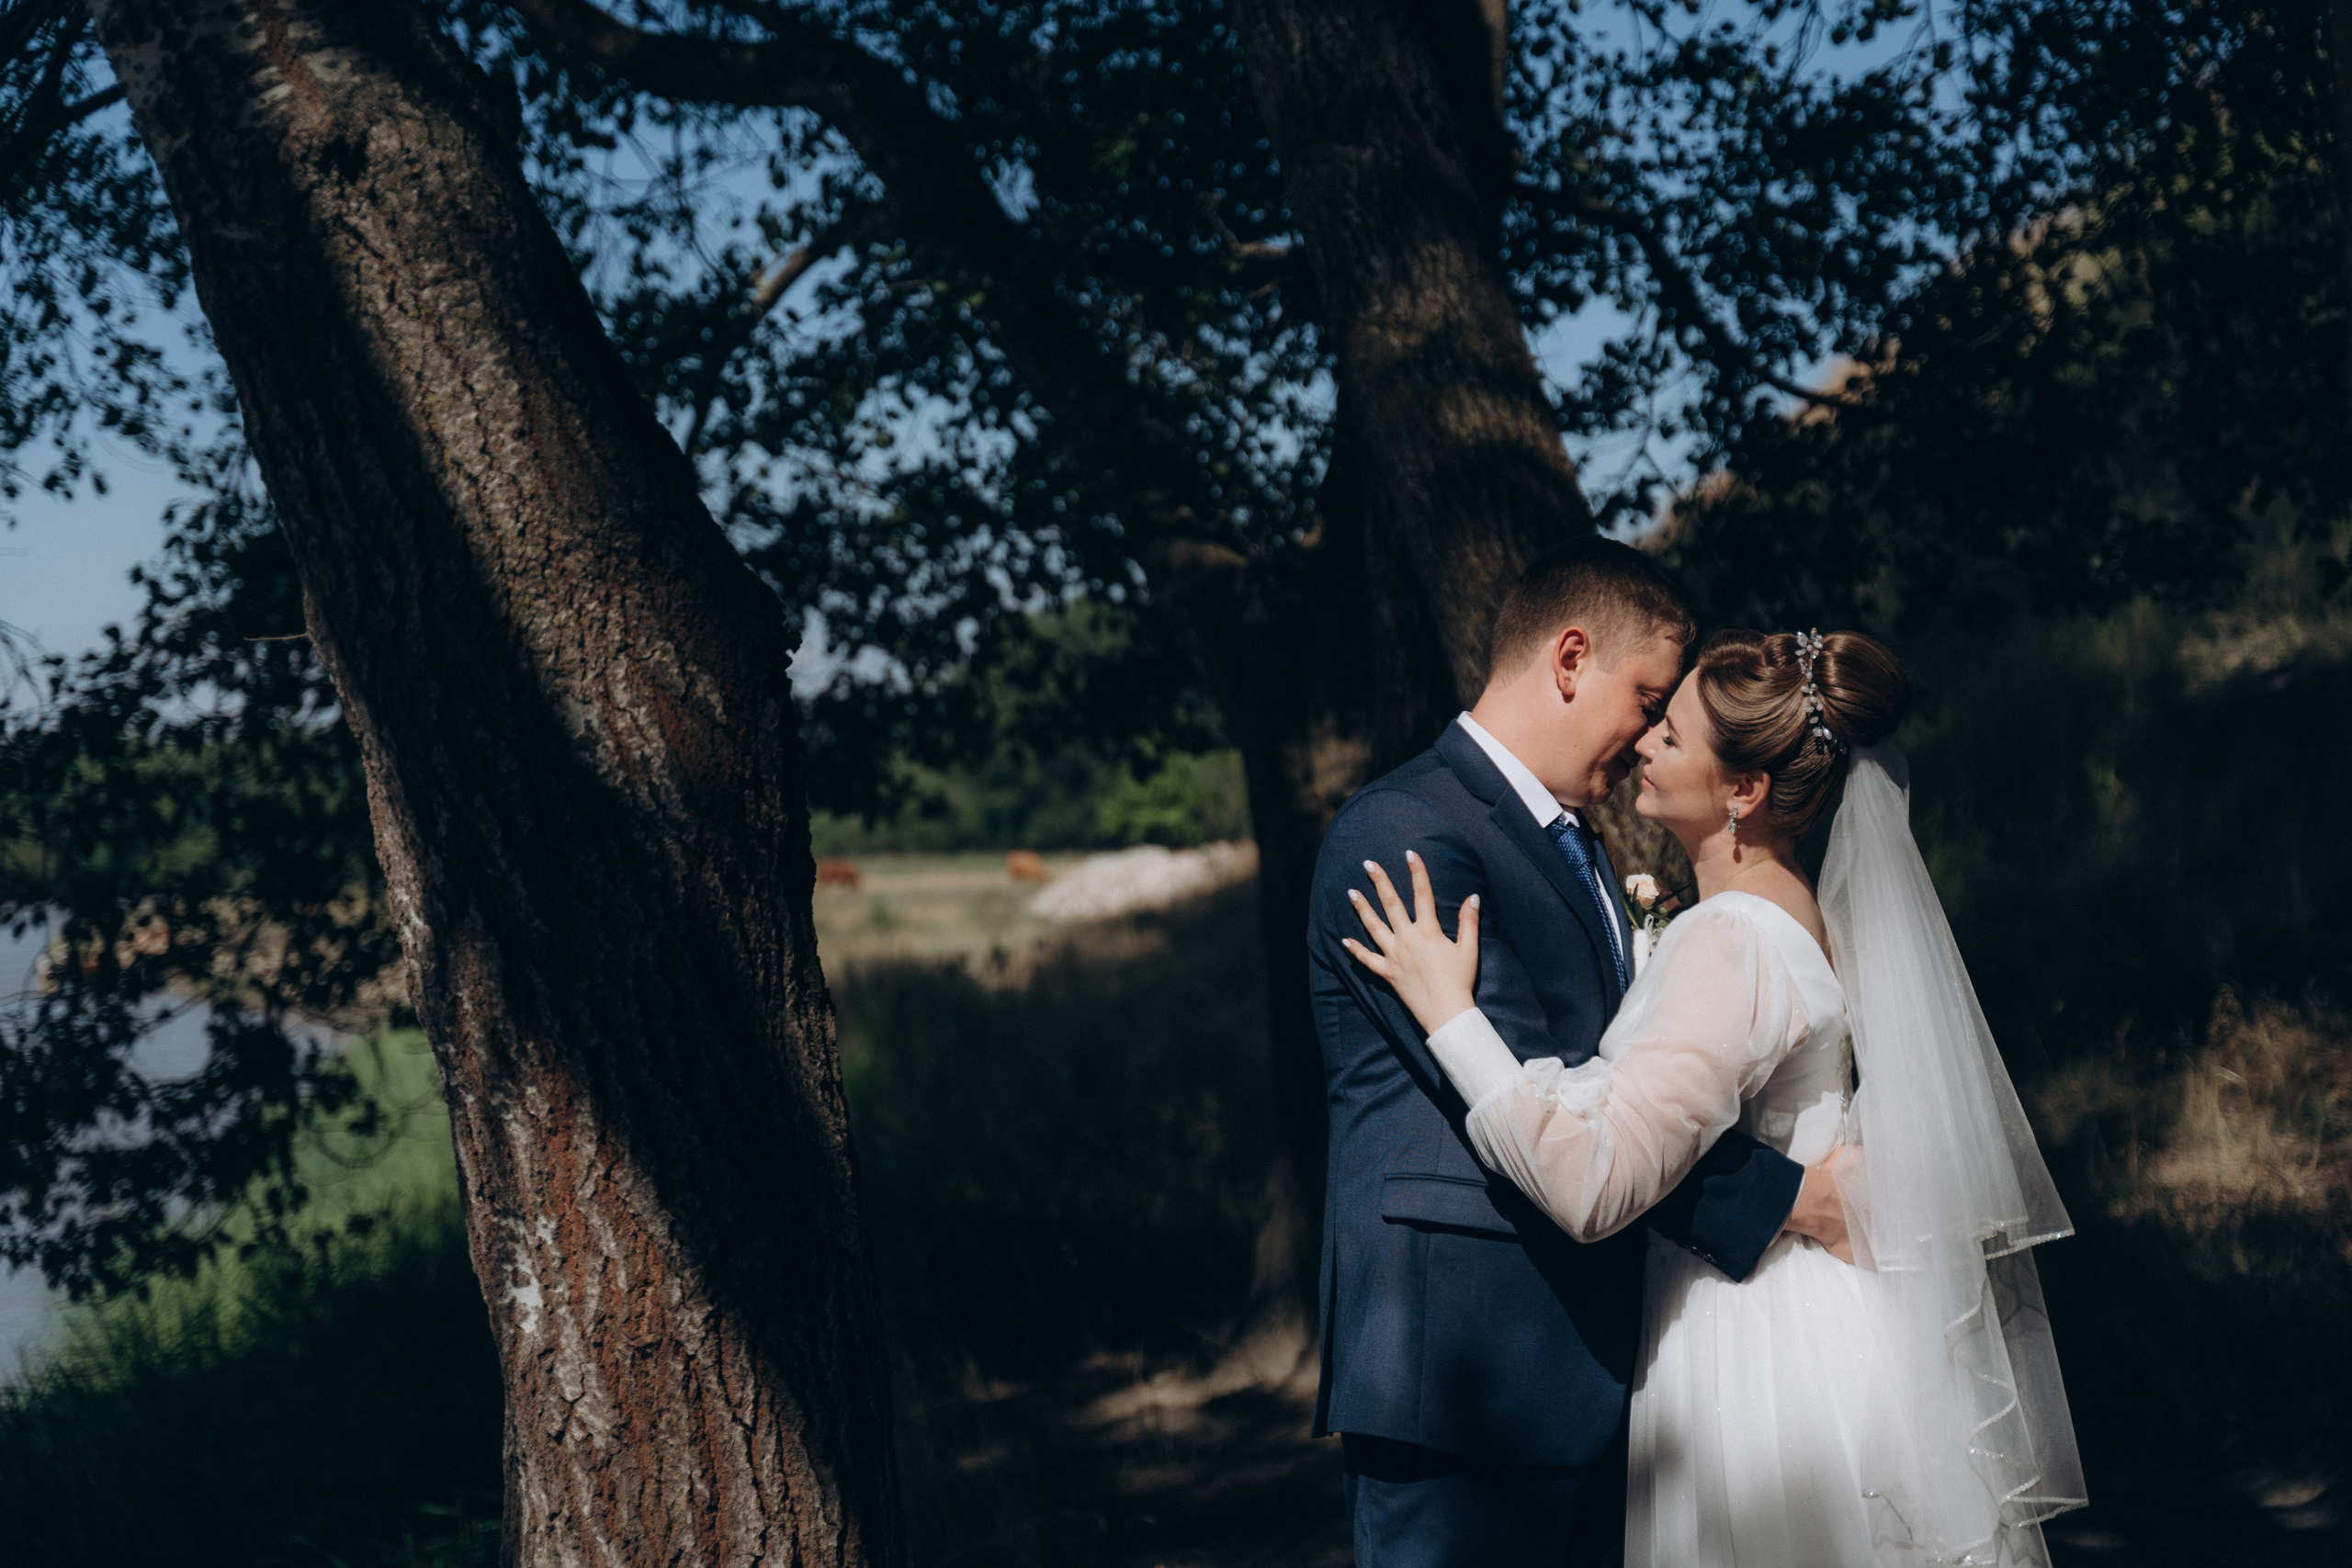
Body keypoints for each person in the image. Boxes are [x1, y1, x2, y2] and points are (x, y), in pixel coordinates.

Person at [1344, 626, 2087, 1566]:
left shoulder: (1731, 938)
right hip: (1802, 1322)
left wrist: (1451, 1016)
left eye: (1673, 732)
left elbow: (1591, 1183)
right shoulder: (1783, 913)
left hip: (1749, 1351)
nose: (1648, 739)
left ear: (1744, 791)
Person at [1304, 539, 1854, 1567]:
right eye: (1647, 697)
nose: (1652, 732)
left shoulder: (1580, 843)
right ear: (1568, 660)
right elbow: (1552, 1101)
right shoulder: (1405, 833)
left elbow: (1625, 1097)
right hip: (1466, 1378)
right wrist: (1782, 1197)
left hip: (1594, 1367)